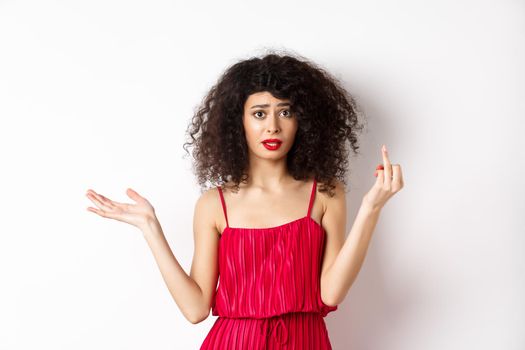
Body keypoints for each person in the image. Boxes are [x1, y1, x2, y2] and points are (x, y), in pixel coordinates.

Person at [85, 51, 404, 349]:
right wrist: (150, 227)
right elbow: (196, 309)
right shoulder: (214, 204)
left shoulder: (325, 194)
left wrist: (371, 209)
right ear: (238, 123)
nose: (273, 126)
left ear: (302, 122)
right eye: (259, 113)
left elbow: (331, 293)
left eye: (285, 112)